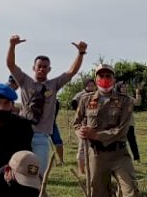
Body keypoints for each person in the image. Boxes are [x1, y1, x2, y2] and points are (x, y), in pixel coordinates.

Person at [73, 64, 147, 197]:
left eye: (108, 76)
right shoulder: (85, 100)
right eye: (101, 76)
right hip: (96, 154)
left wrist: (95, 134)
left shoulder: (125, 101)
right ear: (96, 79)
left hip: (119, 153)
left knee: (130, 190)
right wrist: (81, 132)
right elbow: (77, 122)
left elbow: (121, 130)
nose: (105, 79)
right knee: (98, 193)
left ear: (114, 79)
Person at [6, 34, 87, 172]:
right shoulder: (24, 81)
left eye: (45, 67)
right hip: (23, 133)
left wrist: (80, 53)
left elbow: (71, 72)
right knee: (18, 172)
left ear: (49, 69)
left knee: (38, 172)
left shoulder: (54, 84)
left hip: (41, 136)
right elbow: (11, 65)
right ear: (34, 68)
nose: (42, 69)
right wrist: (12, 46)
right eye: (39, 66)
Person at [116, 82, 141, 161]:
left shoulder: (129, 98)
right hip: (119, 124)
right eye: (122, 87)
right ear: (119, 88)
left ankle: (136, 158)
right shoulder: (116, 98)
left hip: (129, 123)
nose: (124, 88)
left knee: (132, 141)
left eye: (125, 87)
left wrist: (137, 93)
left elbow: (137, 103)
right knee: (119, 141)